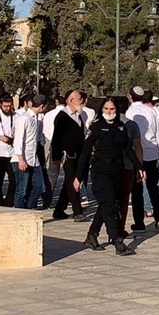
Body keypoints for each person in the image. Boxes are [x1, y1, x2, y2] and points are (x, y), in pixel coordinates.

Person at [76, 97, 142, 256]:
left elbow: (128, 149)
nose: (109, 112)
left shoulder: (121, 127)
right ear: (101, 110)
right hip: (101, 170)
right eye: (106, 109)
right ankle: (117, 240)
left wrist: (139, 166)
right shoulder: (96, 127)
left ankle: (92, 235)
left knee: (107, 203)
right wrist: (78, 176)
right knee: (109, 206)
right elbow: (85, 152)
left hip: (117, 169)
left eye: (112, 109)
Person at [125, 86, 159, 232]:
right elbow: (158, 132)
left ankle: (139, 223)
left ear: (130, 96)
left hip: (137, 154)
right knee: (153, 188)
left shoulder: (130, 112)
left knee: (137, 190)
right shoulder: (152, 110)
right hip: (152, 153)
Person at [51, 90, 88, 221]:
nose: (81, 101)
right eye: (79, 98)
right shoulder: (62, 117)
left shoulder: (79, 115)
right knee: (73, 181)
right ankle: (77, 211)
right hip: (68, 155)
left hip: (79, 155)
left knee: (69, 181)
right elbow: (56, 138)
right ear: (71, 100)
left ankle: (59, 210)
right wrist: (56, 157)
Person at [13, 95, 47, 209]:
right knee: (21, 190)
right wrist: (20, 159)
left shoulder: (36, 118)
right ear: (41, 106)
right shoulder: (24, 118)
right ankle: (19, 212)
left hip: (33, 157)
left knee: (40, 186)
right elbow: (19, 139)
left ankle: (29, 208)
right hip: (22, 158)